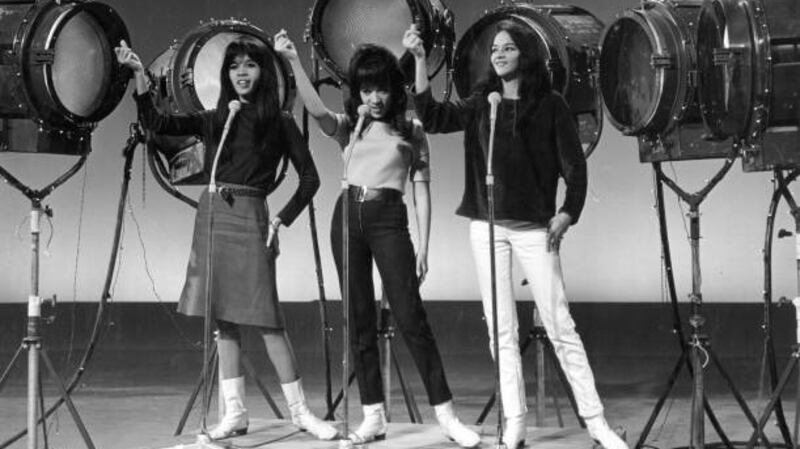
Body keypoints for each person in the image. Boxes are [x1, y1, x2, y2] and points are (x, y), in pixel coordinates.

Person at [404, 22, 628, 449]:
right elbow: (432, 117)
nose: (499, 54)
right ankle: (516, 422)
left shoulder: (551, 105)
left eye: (508, 48)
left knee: (560, 324)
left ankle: (597, 423)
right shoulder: (482, 102)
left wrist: (568, 212)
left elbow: (575, 167)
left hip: (533, 229)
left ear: (525, 54)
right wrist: (418, 59)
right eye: (494, 49)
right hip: (487, 226)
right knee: (500, 330)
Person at [115, 38, 338, 441]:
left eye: (250, 65)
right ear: (226, 74)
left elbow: (310, 178)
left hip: (252, 217)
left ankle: (301, 413)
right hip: (214, 215)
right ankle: (235, 414)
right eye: (234, 66)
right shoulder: (216, 117)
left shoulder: (280, 121)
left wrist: (280, 221)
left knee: (269, 320)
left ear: (263, 72)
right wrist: (138, 77)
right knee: (225, 322)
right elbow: (158, 125)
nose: (242, 73)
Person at [273, 31, 481, 448]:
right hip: (347, 215)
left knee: (411, 318)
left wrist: (424, 246)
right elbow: (316, 111)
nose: (374, 98)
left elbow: (421, 190)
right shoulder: (351, 127)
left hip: (389, 218)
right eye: (366, 90)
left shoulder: (412, 130)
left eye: (382, 88)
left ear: (394, 90)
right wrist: (293, 60)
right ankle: (373, 416)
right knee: (359, 319)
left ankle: (448, 418)